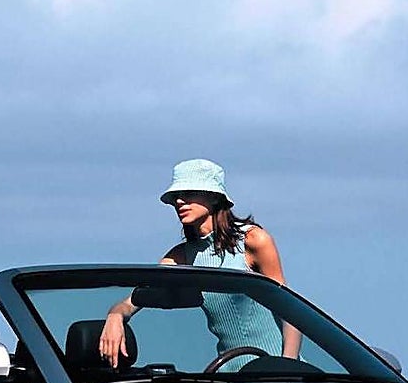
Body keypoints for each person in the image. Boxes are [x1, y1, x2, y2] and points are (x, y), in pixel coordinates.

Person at [99, 158, 301, 368]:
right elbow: (130, 303)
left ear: (214, 198)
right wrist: (115, 317)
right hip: (228, 378)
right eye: (176, 196)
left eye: (188, 193)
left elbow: (290, 311)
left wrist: (287, 365)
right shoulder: (180, 258)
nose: (179, 201)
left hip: (277, 375)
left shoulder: (253, 240)